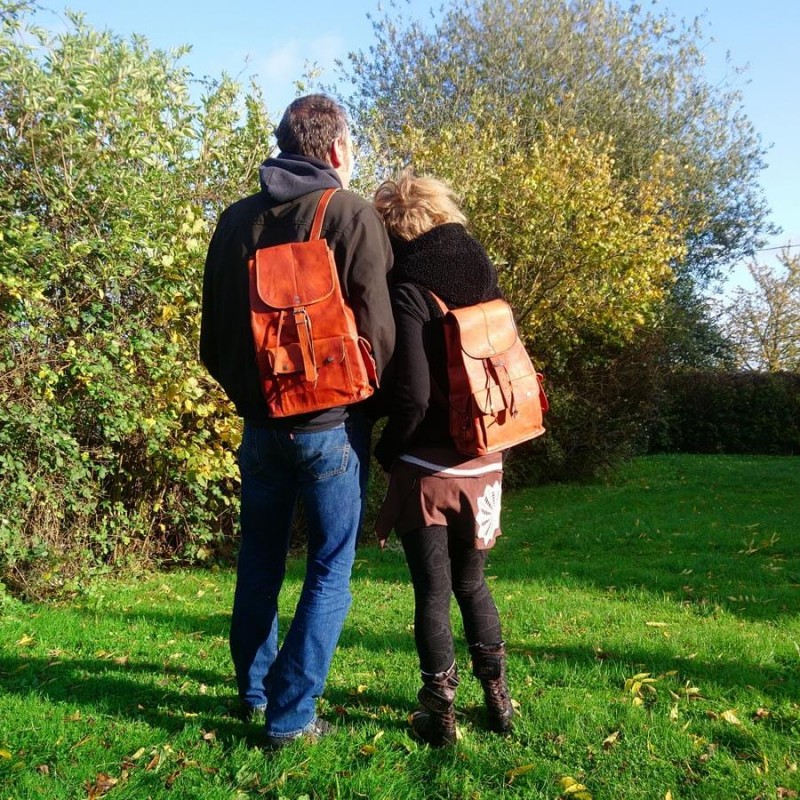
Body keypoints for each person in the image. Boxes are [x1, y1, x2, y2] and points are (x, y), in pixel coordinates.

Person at [200, 94, 395, 749]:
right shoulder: (350, 214)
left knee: (257, 563)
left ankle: (255, 693)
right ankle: (289, 717)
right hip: (329, 429)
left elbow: (213, 340)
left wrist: (256, 403)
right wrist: (353, 409)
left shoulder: (233, 221)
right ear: (337, 149)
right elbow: (380, 337)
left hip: (259, 431)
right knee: (328, 569)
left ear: (284, 144)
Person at [372, 171, 514, 747]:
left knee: (432, 591)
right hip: (486, 458)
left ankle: (440, 710)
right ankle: (499, 698)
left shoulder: (408, 286)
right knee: (473, 584)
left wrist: (388, 449)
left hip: (430, 467)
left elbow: (414, 395)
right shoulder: (481, 272)